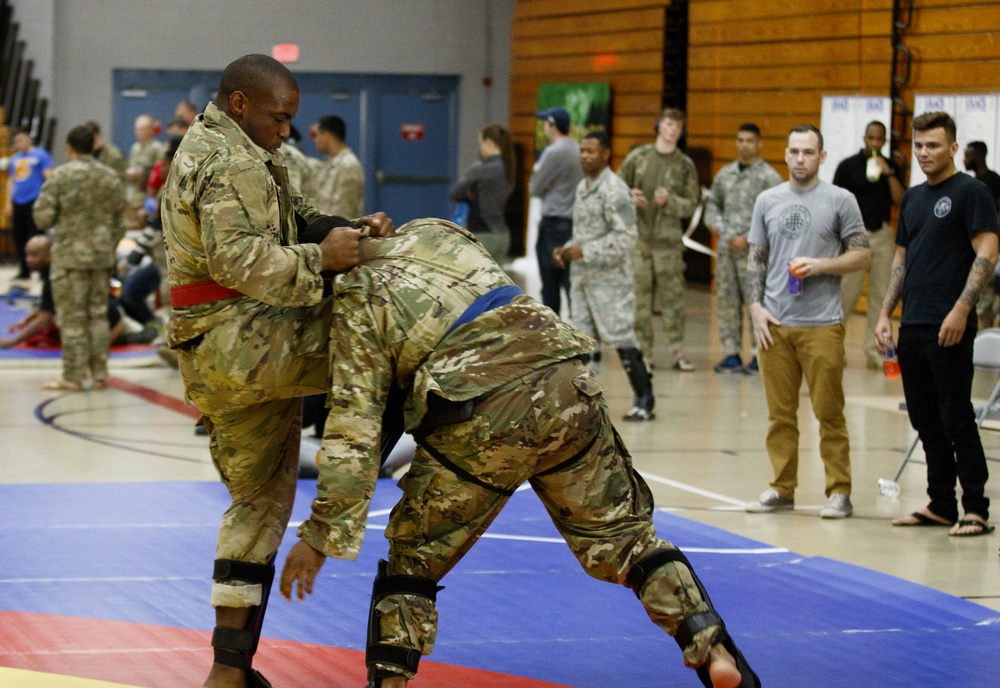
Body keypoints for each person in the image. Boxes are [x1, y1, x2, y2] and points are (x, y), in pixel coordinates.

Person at [279, 216, 760, 688]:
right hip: (567, 381)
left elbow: (354, 433)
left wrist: (321, 535)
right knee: (628, 539)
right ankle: (710, 644)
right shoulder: (433, 231)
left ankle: (389, 683)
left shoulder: (357, 300)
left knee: (414, 560)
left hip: (485, 412)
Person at [160, 54, 393, 688]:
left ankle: (229, 671)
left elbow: (287, 221)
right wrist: (325, 257)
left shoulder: (231, 145)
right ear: (240, 103)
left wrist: (344, 230)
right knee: (389, 336)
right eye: (279, 116)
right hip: (244, 343)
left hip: (225, 349)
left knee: (256, 504)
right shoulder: (230, 160)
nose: (287, 130)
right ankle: (364, 477)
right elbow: (238, 260)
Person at [876, 111, 999, 537]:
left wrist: (963, 309)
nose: (925, 153)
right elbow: (901, 261)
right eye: (919, 146)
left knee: (956, 417)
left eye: (934, 145)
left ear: (952, 148)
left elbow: (987, 250)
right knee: (925, 419)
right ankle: (941, 503)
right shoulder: (911, 198)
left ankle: (976, 508)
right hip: (913, 323)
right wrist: (884, 314)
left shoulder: (972, 192)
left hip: (951, 324)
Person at [745, 124, 871, 519]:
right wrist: (755, 307)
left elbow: (863, 255)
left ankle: (839, 491)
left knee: (829, 413)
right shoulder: (767, 200)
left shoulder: (841, 200)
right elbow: (756, 259)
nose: (801, 159)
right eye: (795, 151)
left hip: (821, 324)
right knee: (779, 416)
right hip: (775, 325)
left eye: (809, 152)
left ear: (822, 157)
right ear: (785, 154)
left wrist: (822, 265)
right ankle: (782, 488)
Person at [553, 131, 655, 421]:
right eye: (582, 150)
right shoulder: (583, 187)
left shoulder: (615, 189)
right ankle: (586, 402)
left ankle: (645, 397)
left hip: (610, 281)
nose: (585, 155)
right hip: (583, 280)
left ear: (606, 154)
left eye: (591, 151)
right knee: (582, 340)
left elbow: (626, 237)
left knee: (620, 337)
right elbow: (585, 231)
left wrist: (584, 251)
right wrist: (568, 249)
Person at [32, 125, 126, 391]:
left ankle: (73, 376)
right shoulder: (109, 177)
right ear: (94, 146)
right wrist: (106, 245)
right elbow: (121, 222)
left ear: (69, 147)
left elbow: (42, 217)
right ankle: (99, 376)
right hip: (101, 257)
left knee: (72, 318)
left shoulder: (60, 176)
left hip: (69, 258)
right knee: (97, 316)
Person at [618, 107, 701, 371]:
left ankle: (677, 351)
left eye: (678, 125)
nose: (673, 129)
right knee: (639, 302)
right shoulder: (637, 157)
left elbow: (692, 204)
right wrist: (629, 196)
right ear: (659, 126)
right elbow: (616, 191)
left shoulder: (684, 165)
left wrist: (671, 202)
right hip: (640, 243)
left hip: (668, 246)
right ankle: (644, 353)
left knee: (673, 300)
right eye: (668, 123)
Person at [705, 123, 783, 374]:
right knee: (726, 303)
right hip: (727, 252)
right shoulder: (725, 174)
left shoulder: (769, 177)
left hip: (755, 254)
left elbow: (776, 216)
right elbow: (713, 204)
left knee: (756, 303)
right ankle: (731, 353)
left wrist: (749, 238)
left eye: (750, 140)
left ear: (759, 143)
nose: (744, 145)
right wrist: (715, 224)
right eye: (740, 140)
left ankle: (758, 355)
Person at [832, 121, 905, 370]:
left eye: (879, 140)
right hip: (855, 236)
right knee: (847, 294)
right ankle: (834, 347)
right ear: (864, 138)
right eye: (871, 138)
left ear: (884, 141)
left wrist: (890, 173)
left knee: (881, 295)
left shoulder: (890, 166)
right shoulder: (848, 166)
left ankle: (875, 350)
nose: (875, 144)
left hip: (882, 234)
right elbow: (835, 202)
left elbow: (900, 199)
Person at [0, 235, 156, 350]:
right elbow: (48, 306)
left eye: (34, 255)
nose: (29, 260)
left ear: (49, 254)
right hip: (111, 317)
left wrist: (12, 342)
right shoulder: (58, 269)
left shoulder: (55, 276)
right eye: (27, 254)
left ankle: (132, 335)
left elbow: (44, 320)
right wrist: (29, 318)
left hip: (111, 323)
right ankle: (134, 332)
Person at [529, 106, 583, 315]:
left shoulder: (553, 152)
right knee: (571, 282)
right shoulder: (579, 149)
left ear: (551, 126)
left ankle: (555, 337)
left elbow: (534, 188)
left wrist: (548, 188)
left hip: (553, 224)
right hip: (574, 223)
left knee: (550, 283)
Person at [449, 123, 515, 263]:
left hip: (483, 234)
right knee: (495, 283)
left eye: (481, 144)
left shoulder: (481, 168)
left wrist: (469, 194)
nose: (480, 148)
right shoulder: (509, 167)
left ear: (489, 142)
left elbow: (455, 193)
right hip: (503, 235)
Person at [4, 128, 53, 280]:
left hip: (35, 200)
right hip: (19, 201)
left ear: (29, 139)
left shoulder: (41, 155)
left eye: (21, 140)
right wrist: (8, 203)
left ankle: (44, 271)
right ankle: (24, 270)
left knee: (37, 237)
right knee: (19, 237)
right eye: (16, 141)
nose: (19, 144)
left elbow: (49, 177)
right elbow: (11, 181)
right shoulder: (15, 158)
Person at [963, 141, 1000, 329]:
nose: (964, 159)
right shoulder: (970, 183)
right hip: (971, 247)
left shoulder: (992, 181)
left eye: (968, 155)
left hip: (989, 248)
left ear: (978, 156)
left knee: (985, 300)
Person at [315, 114, 364, 218]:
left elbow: (344, 210)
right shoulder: (330, 162)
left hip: (338, 230)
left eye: (318, 135)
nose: (316, 140)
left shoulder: (348, 165)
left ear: (326, 136)